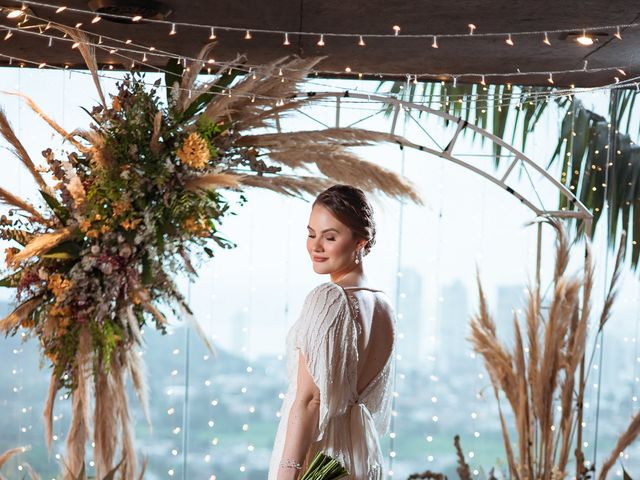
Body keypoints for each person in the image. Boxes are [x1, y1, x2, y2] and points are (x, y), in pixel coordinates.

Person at [268, 184, 397, 480]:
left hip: (319, 459)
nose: (316, 246)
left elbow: (310, 401)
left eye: (330, 237)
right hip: (359, 457)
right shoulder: (384, 305)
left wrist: (287, 474)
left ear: (360, 243)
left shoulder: (328, 298)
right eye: (311, 234)